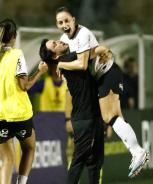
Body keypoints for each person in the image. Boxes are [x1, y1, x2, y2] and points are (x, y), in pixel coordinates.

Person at [50, 6, 148, 178]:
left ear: (73, 20)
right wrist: (102, 50)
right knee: (115, 117)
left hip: (107, 73)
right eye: (60, 22)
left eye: (67, 20)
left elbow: (81, 63)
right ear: (57, 25)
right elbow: (93, 52)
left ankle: (138, 152)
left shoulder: (83, 33)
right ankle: (137, 152)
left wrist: (61, 64)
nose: (64, 24)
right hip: (101, 77)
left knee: (109, 116)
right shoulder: (65, 39)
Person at [0, 19, 48, 184]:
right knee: (29, 148)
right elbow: (24, 86)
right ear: (14, 37)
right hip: (15, 112)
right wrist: (39, 71)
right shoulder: (16, 55)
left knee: (7, 159)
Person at [40, 39, 109, 184]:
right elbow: (100, 49)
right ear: (54, 56)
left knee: (96, 159)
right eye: (54, 45)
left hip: (92, 114)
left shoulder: (69, 61)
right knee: (79, 159)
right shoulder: (69, 58)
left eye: (55, 41)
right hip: (83, 116)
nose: (59, 41)